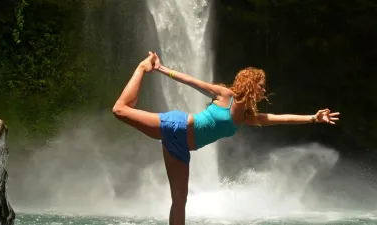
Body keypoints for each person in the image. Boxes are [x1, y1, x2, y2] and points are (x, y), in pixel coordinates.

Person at [112, 51, 340, 225]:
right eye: (261, 86)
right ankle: (142, 68)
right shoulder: (226, 96)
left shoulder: (245, 117)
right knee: (120, 110)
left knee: (180, 198)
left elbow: (278, 118)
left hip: (180, 149)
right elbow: (192, 81)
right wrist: (160, 69)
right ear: (250, 84)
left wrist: (313, 118)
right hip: (177, 127)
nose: (264, 90)